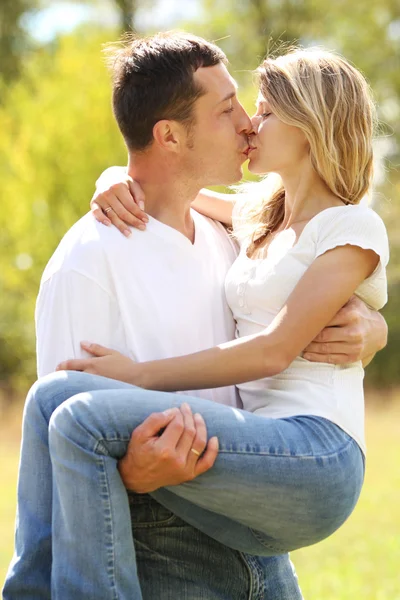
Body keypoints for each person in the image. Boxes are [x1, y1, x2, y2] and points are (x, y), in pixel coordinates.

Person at [3, 34, 387, 600]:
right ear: (171, 134)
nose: (249, 125)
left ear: (308, 126)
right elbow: (163, 187)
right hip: (223, 495)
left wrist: (371, 331)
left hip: (299, 461)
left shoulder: (308, 230)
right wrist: (112, 178)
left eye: (259, 110)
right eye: (232, 109)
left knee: (76, 415)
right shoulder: (252, 225)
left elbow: (278, 345)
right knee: (50, 398)